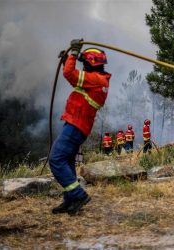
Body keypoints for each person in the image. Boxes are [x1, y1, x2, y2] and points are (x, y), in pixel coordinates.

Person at [49, 39, 111, 215]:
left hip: (75, 126)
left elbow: (70, 74)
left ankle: (78, 194)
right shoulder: (97, 80)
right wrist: (69, 59)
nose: (83, 66)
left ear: (91, 64)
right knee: (67, 162)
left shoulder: (95, 80)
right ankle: (69, 200)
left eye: (85, 63)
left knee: (56, 159)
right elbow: (73, 76)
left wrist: (74, 54)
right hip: (76, 125)